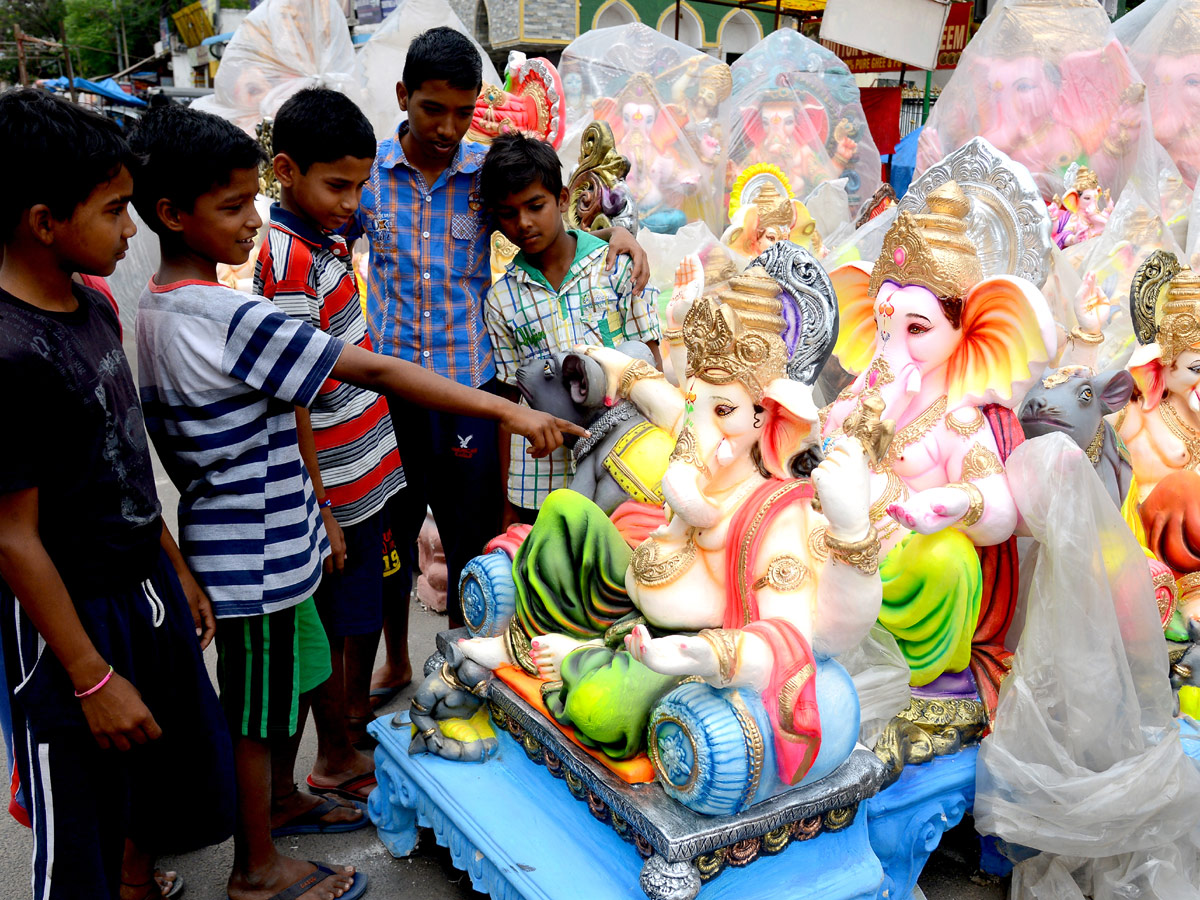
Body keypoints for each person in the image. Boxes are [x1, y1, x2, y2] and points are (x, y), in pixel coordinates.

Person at [128, 104, 582, 900]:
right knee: (259, 714)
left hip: (249, 530)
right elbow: (368, 370)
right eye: (233, 207)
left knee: (279, 689)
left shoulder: (160, 307)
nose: (250, 222)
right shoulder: (231, 313)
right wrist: (509, 410)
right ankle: (256, 869)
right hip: (256, 551)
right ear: (173, 213)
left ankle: (284, 804)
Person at [361, 28, 650, 697]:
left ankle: (469, 663)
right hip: (392, 393)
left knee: (472, 540)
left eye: (463, 113)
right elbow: (326, 225)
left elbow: (556, 218)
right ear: (404, 97)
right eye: (434, 109)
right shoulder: (371, 179)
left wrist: (621, 233)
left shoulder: (479, 178)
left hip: (470, 393)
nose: (448, 127)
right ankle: (398, 660)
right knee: (393, 539)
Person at [0, 88, 235, 900]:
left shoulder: (93, 300)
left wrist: (171, 564)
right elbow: (13, 539)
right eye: (114, 210)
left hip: (141, 585)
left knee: (161, 780)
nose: (131, 230)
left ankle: (140, 884)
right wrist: (92, 678)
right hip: (74, 617)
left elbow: (120, 452)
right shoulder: (10, 355)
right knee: (80, 830)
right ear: (42, 221)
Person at [254, 88, 402, 795]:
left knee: (365, 608)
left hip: (365, 464)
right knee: (344, 620)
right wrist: (320, 503)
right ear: (286, 170)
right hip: (336, 484)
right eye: (337, 184)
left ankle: (346, 735)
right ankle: (336, 752)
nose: (351, 200)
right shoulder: (286, 258)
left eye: (360, 184)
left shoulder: (327, 233)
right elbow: (295, 390)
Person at [481, 131, 661, 521]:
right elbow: (510, 403)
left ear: (562, 199)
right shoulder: (502, 300)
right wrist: (505, 500)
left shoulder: (616, 266)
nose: (524, 223)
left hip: (621, 465)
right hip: (538, 478)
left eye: (535, 205)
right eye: (509, 213)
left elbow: (654, 366)